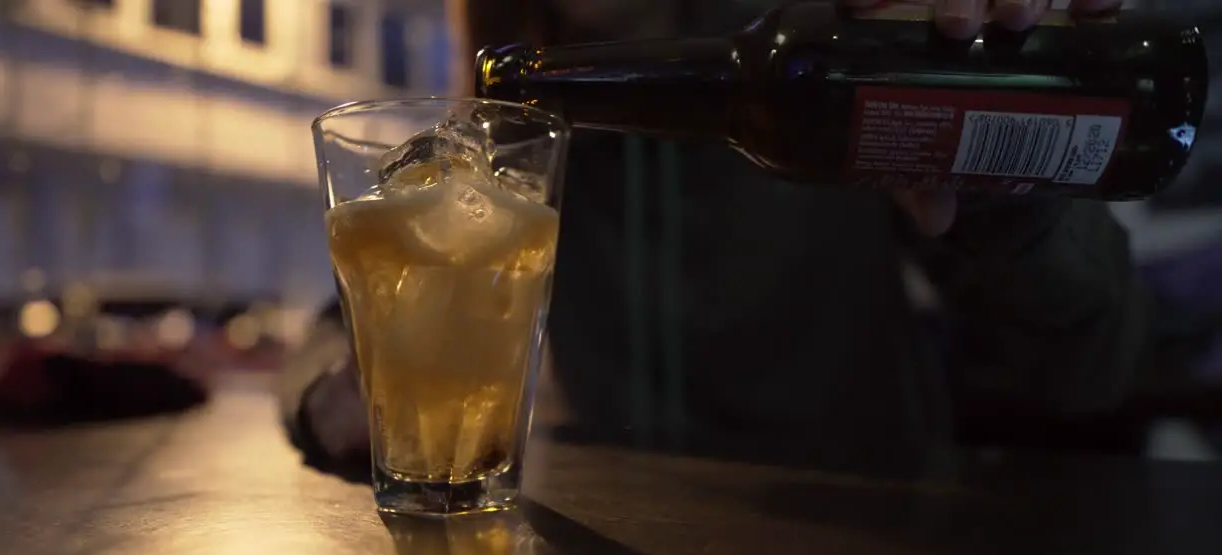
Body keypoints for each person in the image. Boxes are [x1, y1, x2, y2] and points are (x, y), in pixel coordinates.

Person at [280, 0, 1148, 478]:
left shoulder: (829, 48)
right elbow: (351, 311)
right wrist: (332, 390)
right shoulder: (520, 127)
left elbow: (1093, 366)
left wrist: (1002, 181)